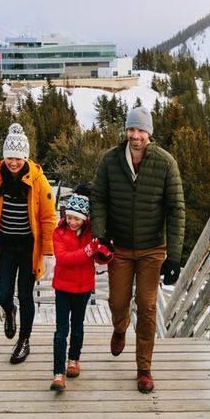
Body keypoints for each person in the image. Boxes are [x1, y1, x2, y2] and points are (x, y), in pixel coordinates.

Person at [89, 105, 184, 394]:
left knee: (147, 305)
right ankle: (120, 328)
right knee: (117, 302)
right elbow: (99, 198)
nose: (135, 135)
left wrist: (175, 257)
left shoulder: (166, 164)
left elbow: (176, 209)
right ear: (126, 131)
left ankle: (144, 368)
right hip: (119, 247)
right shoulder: (110, 160)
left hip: (152, 249)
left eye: (141, 130)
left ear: (149, 133)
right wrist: (100, 237)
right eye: (131, 129)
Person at [0, 123, 56, 364]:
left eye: (18, 158)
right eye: (10, 158)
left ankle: (24, 341)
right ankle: (9, 311)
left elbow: (48, 217)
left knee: (25, 295)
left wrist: (48, 252)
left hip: (28, 248)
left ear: (26, 157)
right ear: (4, 157)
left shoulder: (38, 180)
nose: (13, 163)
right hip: (4, 246)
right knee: (3, 294)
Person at [48, 186, 104, 391]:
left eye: (77, 219)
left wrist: (105, 253)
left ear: (85, 219)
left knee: (78, 326)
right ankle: (58, 373)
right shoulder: (59, 233)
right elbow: (64, 258)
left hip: (83, 288)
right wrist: (88, 250)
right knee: (61, 330)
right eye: (70, 217)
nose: (72, 222)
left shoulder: (92, 233)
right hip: (63, 288)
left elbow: (101, 258)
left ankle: (74, 359)